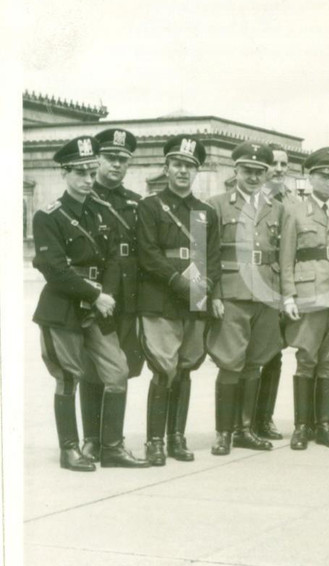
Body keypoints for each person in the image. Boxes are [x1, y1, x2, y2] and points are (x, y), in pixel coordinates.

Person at [33, 136, 149, 471]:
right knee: (68, 376)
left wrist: (105, 295)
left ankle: (111, 448)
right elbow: (55, 269)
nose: (87, 179)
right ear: (64, 173)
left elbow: (113, 259)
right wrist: (95, 295)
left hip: (98, 305)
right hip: (64, 307)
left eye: (90, 171)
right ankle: (70, 449)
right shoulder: (48, 216)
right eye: (80, 172)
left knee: (117, 371)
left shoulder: (100, 212)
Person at [137, 135, 221, 465]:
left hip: (194, 297)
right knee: (163, 369)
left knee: (185, 369)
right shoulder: (151, 206)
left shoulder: (204, 213)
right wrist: (178, 282)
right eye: (177, 164)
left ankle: (176, 437)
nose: (183, 171)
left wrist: (205, 285)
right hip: (160, 297)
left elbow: (210, 257)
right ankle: (155, 441)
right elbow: (148, 254)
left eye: (189, 166)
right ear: (167, 167)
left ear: (196, 171)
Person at [205, 142, 284, 456]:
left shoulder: (276, 208)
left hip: (266, 292)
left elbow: (282, 253)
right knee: (230, 362)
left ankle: (245, 430)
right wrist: (212, 294)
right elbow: (206, 255)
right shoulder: (215, 205)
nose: (253, 177)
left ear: (266, 174)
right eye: (247, 171)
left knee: (255, 363)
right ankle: (224, 433)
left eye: (259, 172)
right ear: (235, 170)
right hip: (232, 292)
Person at [280, 148, 329, 450]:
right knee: (306, 359)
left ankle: (324, 425)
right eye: (324, 176)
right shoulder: (295, 211)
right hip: (309, 291)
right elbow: (287, 257)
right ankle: (302, 426)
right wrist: (288, 296)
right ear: (310, 177)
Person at [85, 128, 144, 462]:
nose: (117, 164)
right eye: (110, 158)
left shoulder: (135, 202)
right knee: (94, 367)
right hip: (97, 296)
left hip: (130, 297)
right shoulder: (84, 199)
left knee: (123, 367)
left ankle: (108, 440)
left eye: (123, 159)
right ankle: (95, 441)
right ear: (97, 159)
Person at [254, 147, 293, 440]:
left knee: (273, 355)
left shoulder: (292, 202)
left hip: (276, 289)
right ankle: (240, 422)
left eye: (283, 164)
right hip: (247, 286)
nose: (278, 169)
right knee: (242, 357)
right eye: (273, 164)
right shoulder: (253, 198)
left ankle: (264, 418)